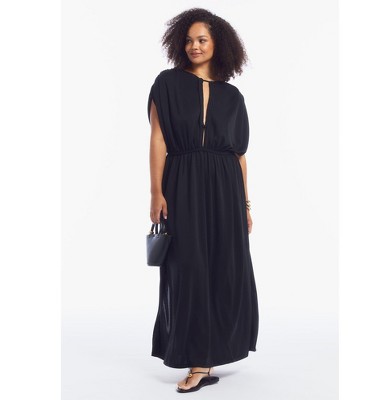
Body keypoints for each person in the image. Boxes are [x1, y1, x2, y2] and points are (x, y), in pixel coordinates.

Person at [147, 7, 259, 393]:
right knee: (188, 268)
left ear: (218, 45)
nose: (194, 46)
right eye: (189, 40)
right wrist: (156, 191)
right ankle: (196, 355)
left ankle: (208, 358)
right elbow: (158, 138)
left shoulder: (233, 96)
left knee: (226, 268)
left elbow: (239, 156)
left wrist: (246, 205)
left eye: (202, 40)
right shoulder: (166, 83)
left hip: (226, 188)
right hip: (182, 182)